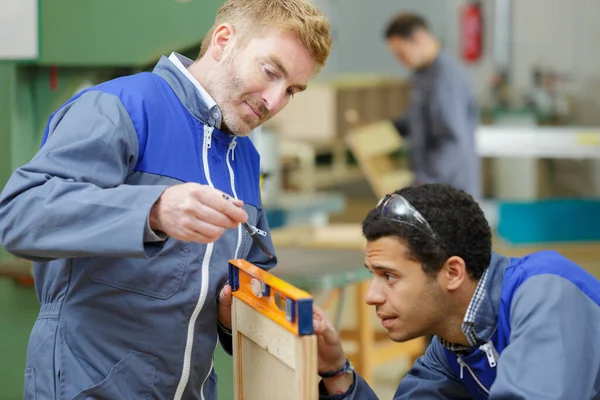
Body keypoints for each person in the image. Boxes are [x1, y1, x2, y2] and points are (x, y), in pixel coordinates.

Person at [0, 0, 331, 398]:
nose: (274, 101)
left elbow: (247, 270)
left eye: (292, 90)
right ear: (224, 41)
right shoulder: (122, 107)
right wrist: (153, 210)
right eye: (270, 72)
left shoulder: (243, 154)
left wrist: (235, 311)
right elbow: (20, 214)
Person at [313, 183, 600, 399]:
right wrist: (337, 371)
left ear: (452, 272)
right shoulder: (451, 348)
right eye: (372, 275)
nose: (371, 296)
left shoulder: (546, 292)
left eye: (389, 276)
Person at [385, 14, 481, 199]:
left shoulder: (446, 79)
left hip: (451, 194)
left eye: (401, 53)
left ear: (419, 39)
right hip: (433, 190)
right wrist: (384, 131)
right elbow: (416, 119)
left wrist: (422, 181)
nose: (399, 61)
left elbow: (452, 142)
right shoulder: (423, 75)